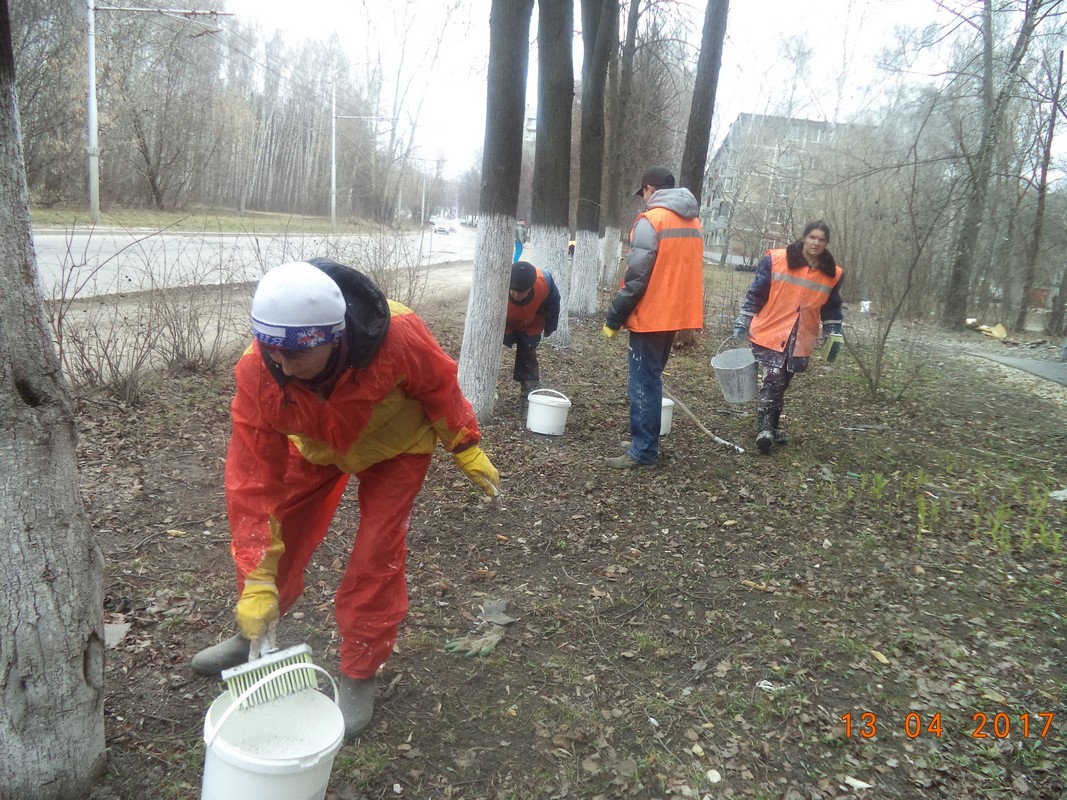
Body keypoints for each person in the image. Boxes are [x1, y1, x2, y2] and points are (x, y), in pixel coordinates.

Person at [190, 258, 500, 739]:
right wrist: (256, 577)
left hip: (396, 446)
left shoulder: (399, 334)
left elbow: (440, 385)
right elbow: (252, 479)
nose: (284, 367)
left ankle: (360, 669)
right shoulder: (259, 369)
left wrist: (464, 442)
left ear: (333, 338)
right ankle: (254, 630)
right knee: (283, 530)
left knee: (376, 553)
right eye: (274, 352)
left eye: (296, 356)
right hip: (318, 446)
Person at [602, 166, 705, 468]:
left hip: (651, 315)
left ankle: (643, 451)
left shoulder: (652, 220)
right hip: (675, 314)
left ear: (649, 189)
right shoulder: (693, 221)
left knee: (642, 385)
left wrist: (614, 317)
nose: (643, 199)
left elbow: (636, 277)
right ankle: (643, 438)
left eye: (643, 193)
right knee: (651, 380)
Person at [733, 220, 844, 455]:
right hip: (772, 330)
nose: (816, 242)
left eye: (821, 239)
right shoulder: (776, 259)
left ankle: (772, 427)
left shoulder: (832, 274)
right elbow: (757, 292)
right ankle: (764, 429)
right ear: (804, 238)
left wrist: (833, 333)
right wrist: (744, 319)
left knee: (783, 382)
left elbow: (832, 309)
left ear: (826, 243)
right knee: (773, 378)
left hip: (801, 336)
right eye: (812, 237)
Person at [504, 260, 560, 397]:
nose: (517, 294)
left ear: (531, 287)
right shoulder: (499, 281)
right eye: (514, 291)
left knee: (528, 356)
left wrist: (550, 326)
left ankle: (529, 395)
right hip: (502, 323)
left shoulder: (545, 282)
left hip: (531, 323)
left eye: (521, 292)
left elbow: (554, 304)